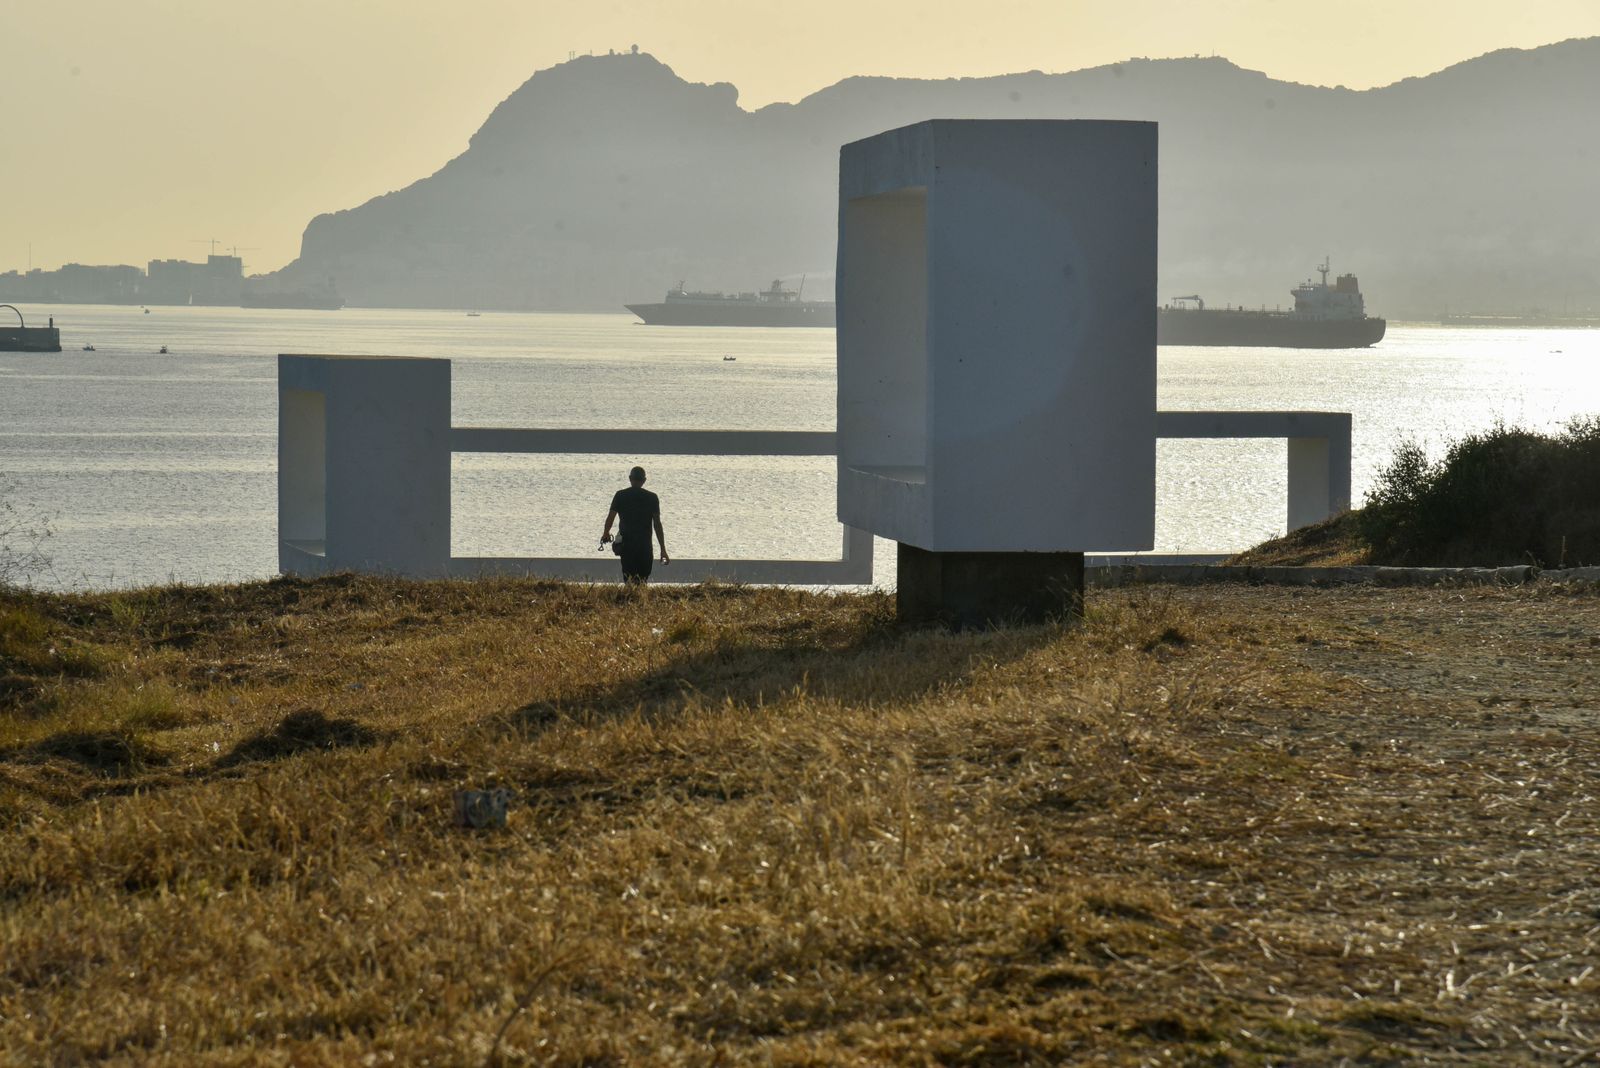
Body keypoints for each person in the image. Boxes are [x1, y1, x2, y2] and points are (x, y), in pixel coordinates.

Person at [600, 466, 669, 583]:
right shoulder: (652, 498)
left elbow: (610, 517)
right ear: (644, 480)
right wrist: (663, 549)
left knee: (629, 580)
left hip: (627, 547)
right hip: (645, 546)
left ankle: (631, 594)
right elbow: (657, 525)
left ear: (630, 478)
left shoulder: (620, 495)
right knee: (642, 581)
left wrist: (606, 533)